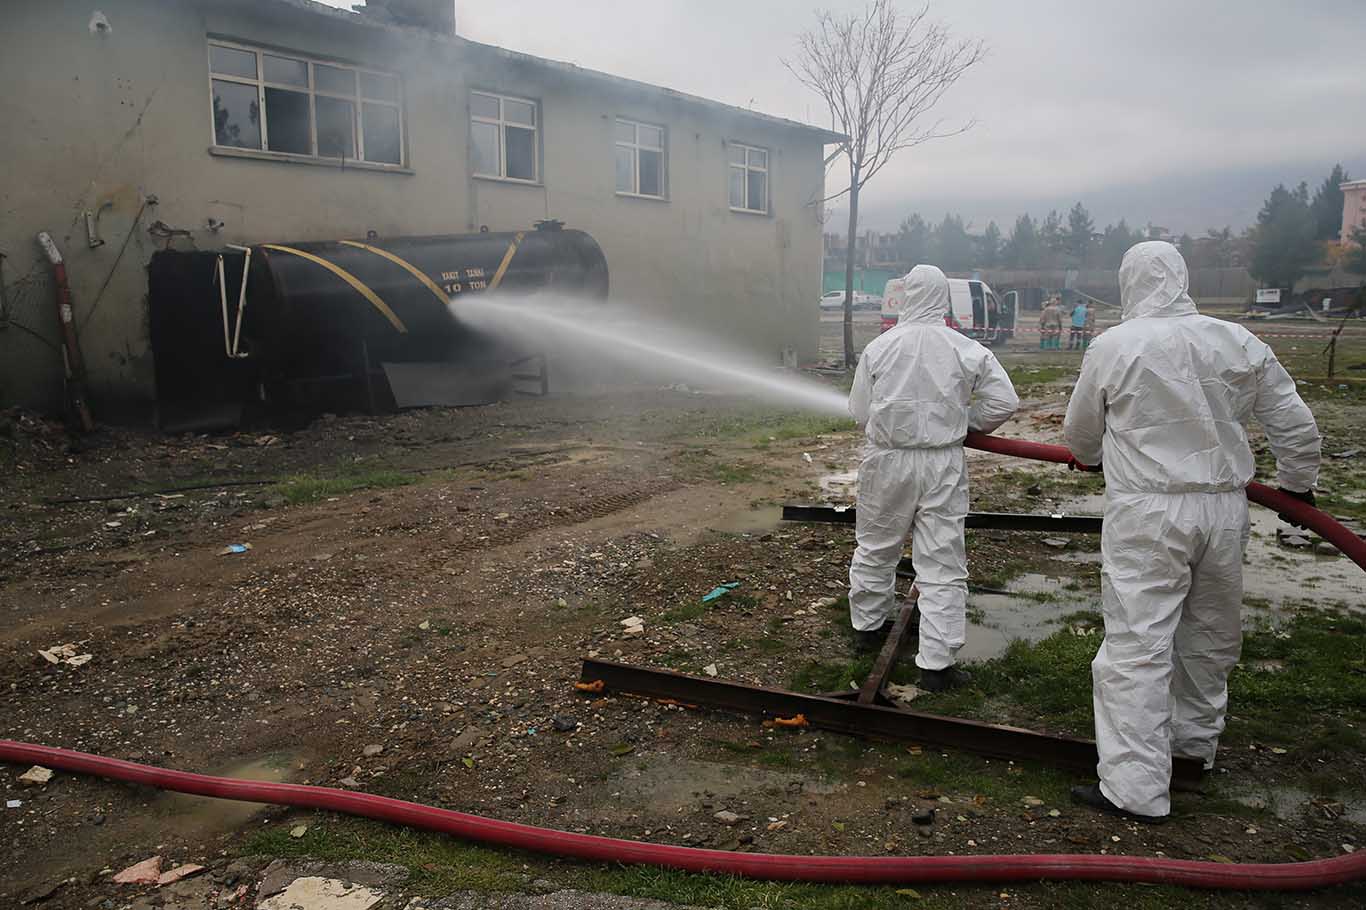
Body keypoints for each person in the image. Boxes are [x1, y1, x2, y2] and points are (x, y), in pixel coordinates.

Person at [1063, 241, 1321, 823]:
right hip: (1225, 509)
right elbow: (1296, 427)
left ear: (1129, 282)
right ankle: (1193, 750)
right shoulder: (1238, 341)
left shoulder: (1113, 346)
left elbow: (1080, 434)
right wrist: (1298, 488)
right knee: (1209, 636)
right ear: (1181, 278)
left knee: (1137, 647)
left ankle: (1135, 790)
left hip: (1148, 512)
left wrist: (1095, 455)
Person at [848, 265, 1020, 691]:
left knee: (876, 547)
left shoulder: (880, 347)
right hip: (942, 463)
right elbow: (1004, 401)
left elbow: (859, 411)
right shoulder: (966, 347)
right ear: (944, 299)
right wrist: (964, 423)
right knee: (942, 563)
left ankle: (867, 631)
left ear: (906, 297)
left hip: (888, 461)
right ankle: (937, 666)